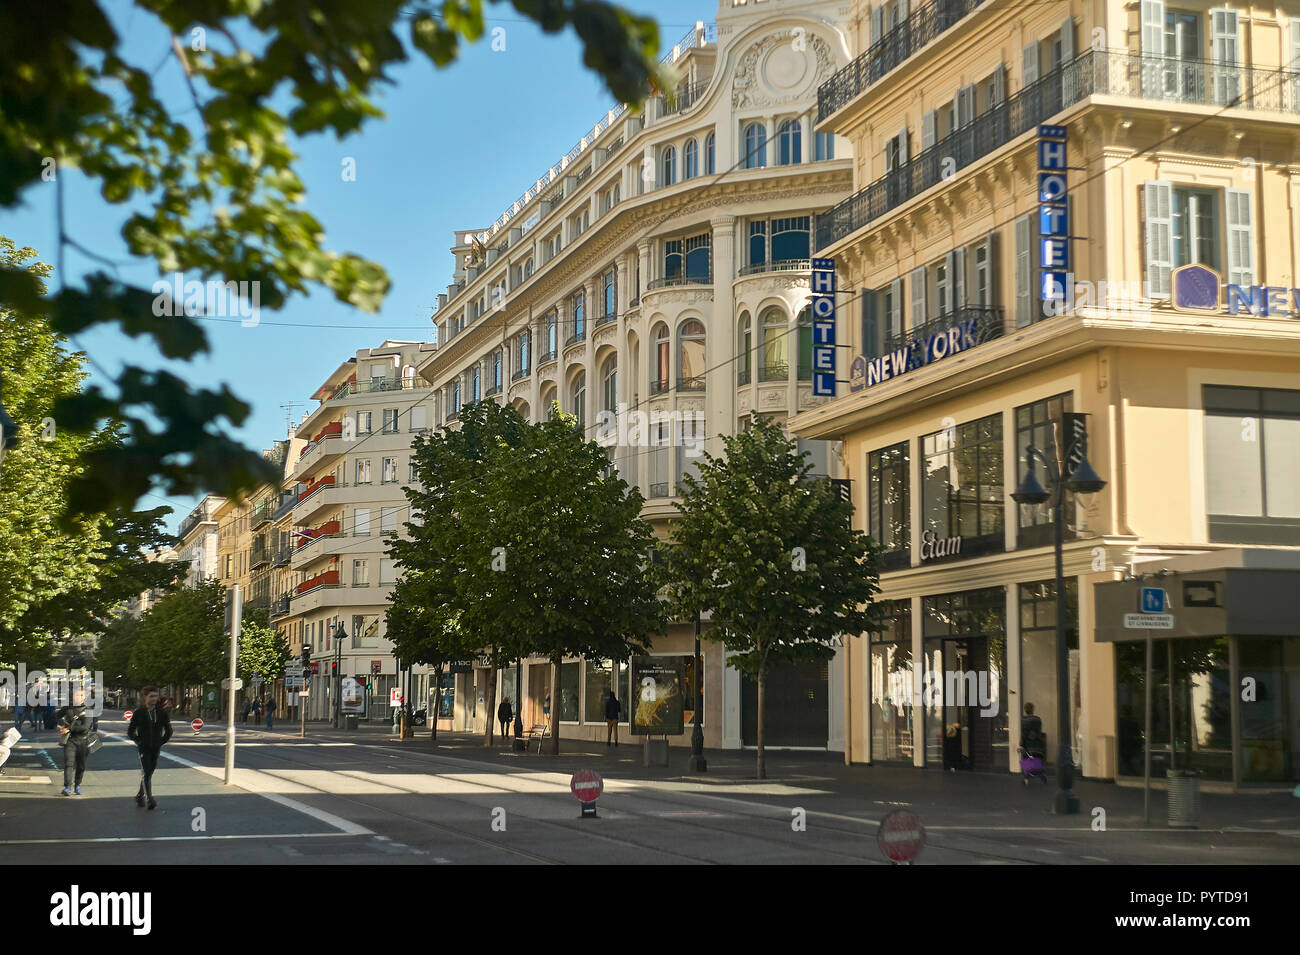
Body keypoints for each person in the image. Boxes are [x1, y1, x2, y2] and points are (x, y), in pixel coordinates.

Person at [127, 686, 172, 810]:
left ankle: (140, 795)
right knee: (146, 771)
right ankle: (150, 799)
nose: (154, 699)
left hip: (156, 747)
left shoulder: (162, 713)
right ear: (145, 697)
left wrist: (161, 741)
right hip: (144, 748)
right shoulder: (139, 713)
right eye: (151, 696)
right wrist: (138, 741)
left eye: (155, 696)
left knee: (149, 772)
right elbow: (130, 731)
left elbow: (169, 730)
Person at [56, 689, 94, 796]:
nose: (79, 697)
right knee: (69, 763)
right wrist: (61, 725)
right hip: (70, 740)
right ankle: (67, 787)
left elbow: (85, 728)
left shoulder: (88, 710)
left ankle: (77, 785)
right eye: (77, 695)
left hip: (83, 741)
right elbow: (56, 716)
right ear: (73, 697)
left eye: (82, 695)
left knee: (81, 765)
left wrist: (69, 728)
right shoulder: (67, 708)